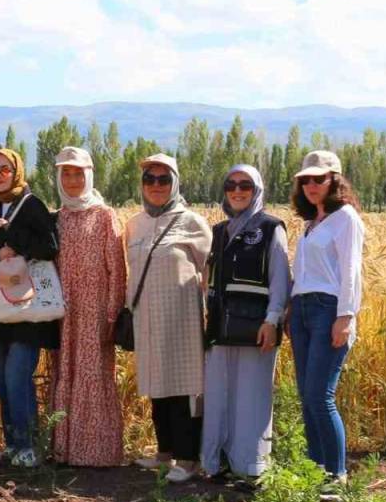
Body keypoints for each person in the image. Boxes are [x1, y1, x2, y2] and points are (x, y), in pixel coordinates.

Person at [0, 148, 59, 468]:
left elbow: (49, 246)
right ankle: (12, 444)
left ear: (17, 171)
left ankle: (28, 445)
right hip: (0, 310)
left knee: (18, 375)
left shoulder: (31, 205)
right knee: (1, 378)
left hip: (28, 310)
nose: (0, 175)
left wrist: (12, 239)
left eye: (6, 169)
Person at [125, 153, 212, 483]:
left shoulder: (191, 222)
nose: (156, 186)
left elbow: (209, 270)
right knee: (156, 384)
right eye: (150, 179)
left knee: (184, 386)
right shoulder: (134, 224)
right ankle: (164, 453)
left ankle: (188, 458)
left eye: (163, 179)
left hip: (182, 319)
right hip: (146, 317)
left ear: (175, 182)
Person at [201, 164, 290, 483]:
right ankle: (217, 463)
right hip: (220, 331)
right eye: (231, 185)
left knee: (252, 397)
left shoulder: (270, 228)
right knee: (219, 395)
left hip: (256, 329)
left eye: (246, 185)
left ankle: (250, 467)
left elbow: (281, 279)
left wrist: (272, 319)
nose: (237, 191)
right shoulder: (218, 231)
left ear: (258, 191)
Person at [288, 150, 364, 498]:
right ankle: (314, 468)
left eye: (319, 179)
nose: (312, 185)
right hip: (302, 310)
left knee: (321, 395)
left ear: (335, 179)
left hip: (327, 310)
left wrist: (345, 317)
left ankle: (337, 474)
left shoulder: (345, 217)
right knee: (307, 395)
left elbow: (350, 271)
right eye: (306, 180)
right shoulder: (311, 223)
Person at [49, 147, 127, 467]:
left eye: (77, 173)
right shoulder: (58, 218)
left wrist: (112, 313)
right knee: (65, 372)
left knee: (93, 377)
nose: (71, 179)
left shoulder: (104, 215)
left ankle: (97, 454)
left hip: (95, 313)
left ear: (89, 175)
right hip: (65, 314)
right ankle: (64, 450)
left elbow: (117, 269)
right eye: (65, 173)